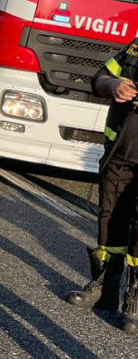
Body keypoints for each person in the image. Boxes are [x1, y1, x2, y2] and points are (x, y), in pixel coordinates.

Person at [67, 39, 138, 333]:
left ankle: (133, 302)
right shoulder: (134, 50)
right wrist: (114, 86)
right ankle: (105, 290)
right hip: (118, 154)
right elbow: (98, 78)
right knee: (110, 219)